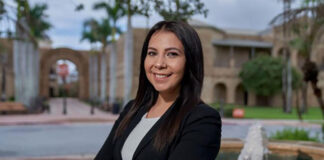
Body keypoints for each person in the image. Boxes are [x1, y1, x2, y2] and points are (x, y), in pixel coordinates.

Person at [95, 20, 222, 160]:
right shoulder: (132, 109)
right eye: (152, 53)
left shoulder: (202, 120)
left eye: (172, 54)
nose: (159, 64)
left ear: (190, 60)